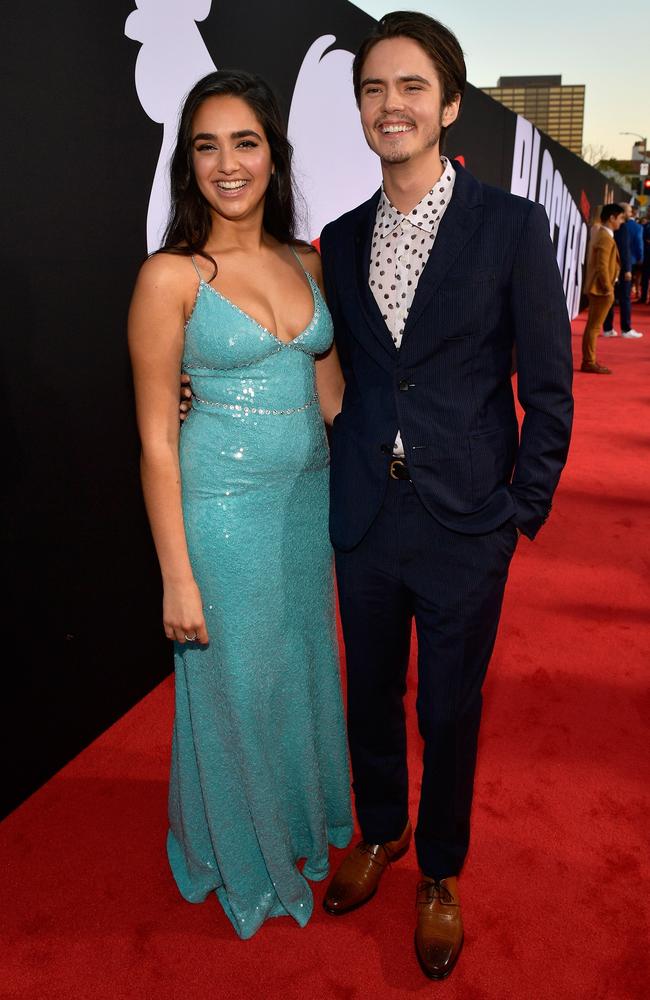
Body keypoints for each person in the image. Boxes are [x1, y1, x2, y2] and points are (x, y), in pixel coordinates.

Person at [317, 12, 573, 981]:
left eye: (410, 86)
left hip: (468, 522)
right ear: (360, 109)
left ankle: (439, 868)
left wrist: (522, 507)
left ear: (448, 103)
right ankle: (378, 830)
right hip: (365, 519)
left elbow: (546, 386)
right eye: (374, 89)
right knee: (370, 694)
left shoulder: (510, 226)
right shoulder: (338, 241)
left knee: (451, 708)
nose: (391, 104)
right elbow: (326, 361)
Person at [129, 70, 353, 940]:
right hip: (220, 518)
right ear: (187, 164)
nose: (228, 163)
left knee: (299, 677)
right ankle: (243, 855)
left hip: (308, 513)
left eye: (245, 141)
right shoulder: (169, 279)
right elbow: (154, 443)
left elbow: (334, 398)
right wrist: (176, 577)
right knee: (240, 687)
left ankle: (298, 826)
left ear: (274, 154)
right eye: (206, 145)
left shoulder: (306, 260)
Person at [581, 203, 626, 374]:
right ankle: (589, 361)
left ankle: (589, 360)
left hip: (600, 288)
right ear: (612, 218)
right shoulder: (605, 237)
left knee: (593, 326)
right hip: (601, 290)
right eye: (620, 218)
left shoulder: (603, 235)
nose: (621, 222)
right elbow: (601, 266)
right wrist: (608, 288)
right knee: (593, 327)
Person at [602, 202, 644, 339]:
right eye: (628, 211)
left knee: (611, 298)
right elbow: (624, 250)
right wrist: (628, 269)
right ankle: (626, 329)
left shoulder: (609, 228)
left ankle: (608, 328)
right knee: (625, 299)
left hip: (613, 267)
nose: (630, 213)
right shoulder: (625, 227)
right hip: (624, 266)